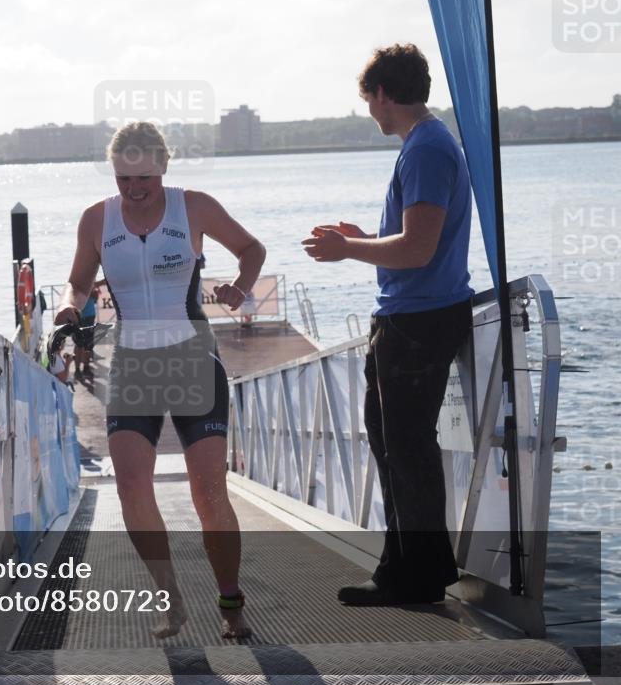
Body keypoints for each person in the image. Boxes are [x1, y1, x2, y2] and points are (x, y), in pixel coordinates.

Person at [55, 121, 266, 639]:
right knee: (130, 487)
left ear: (163, 166)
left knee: (208, 493)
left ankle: (230, 601)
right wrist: (66, 307)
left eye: (144, 176)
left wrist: (241, 286)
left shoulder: (193, 206)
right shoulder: (96, 219)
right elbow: (79, 281)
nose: (134, 188)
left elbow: (251, 249)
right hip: (134, 364)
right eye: (124, 179)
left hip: (193, 359)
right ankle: (169, 595)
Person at [302, 43, 473, 606]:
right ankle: (405, 570)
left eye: (369, 99)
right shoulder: (426, 144)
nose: (370, 111)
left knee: (406, 447)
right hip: (414, 316)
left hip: (419, 320)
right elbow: (417, 240)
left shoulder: (424, 149)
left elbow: (420, 249)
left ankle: (418, 578)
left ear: (382, 93)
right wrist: (363, 238)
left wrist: (348, 248)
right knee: (394, 444)